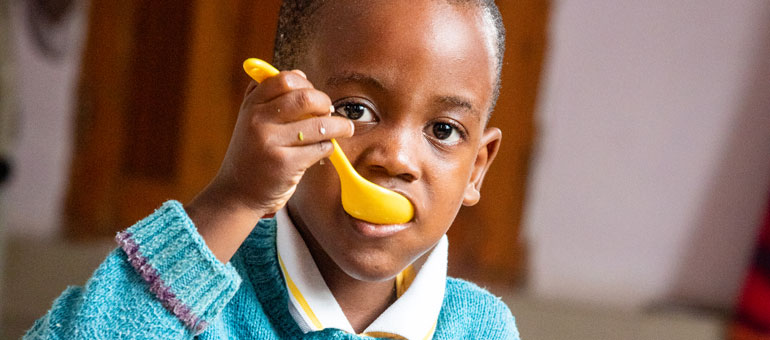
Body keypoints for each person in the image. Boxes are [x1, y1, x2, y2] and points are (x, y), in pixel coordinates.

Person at [25, 0, 519, 339]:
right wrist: (233, 198)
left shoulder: (481, 328)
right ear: (273, 117)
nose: (396, 158)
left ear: (476, 168)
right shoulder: (197, 300)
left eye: (443, 130)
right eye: (354, 110)